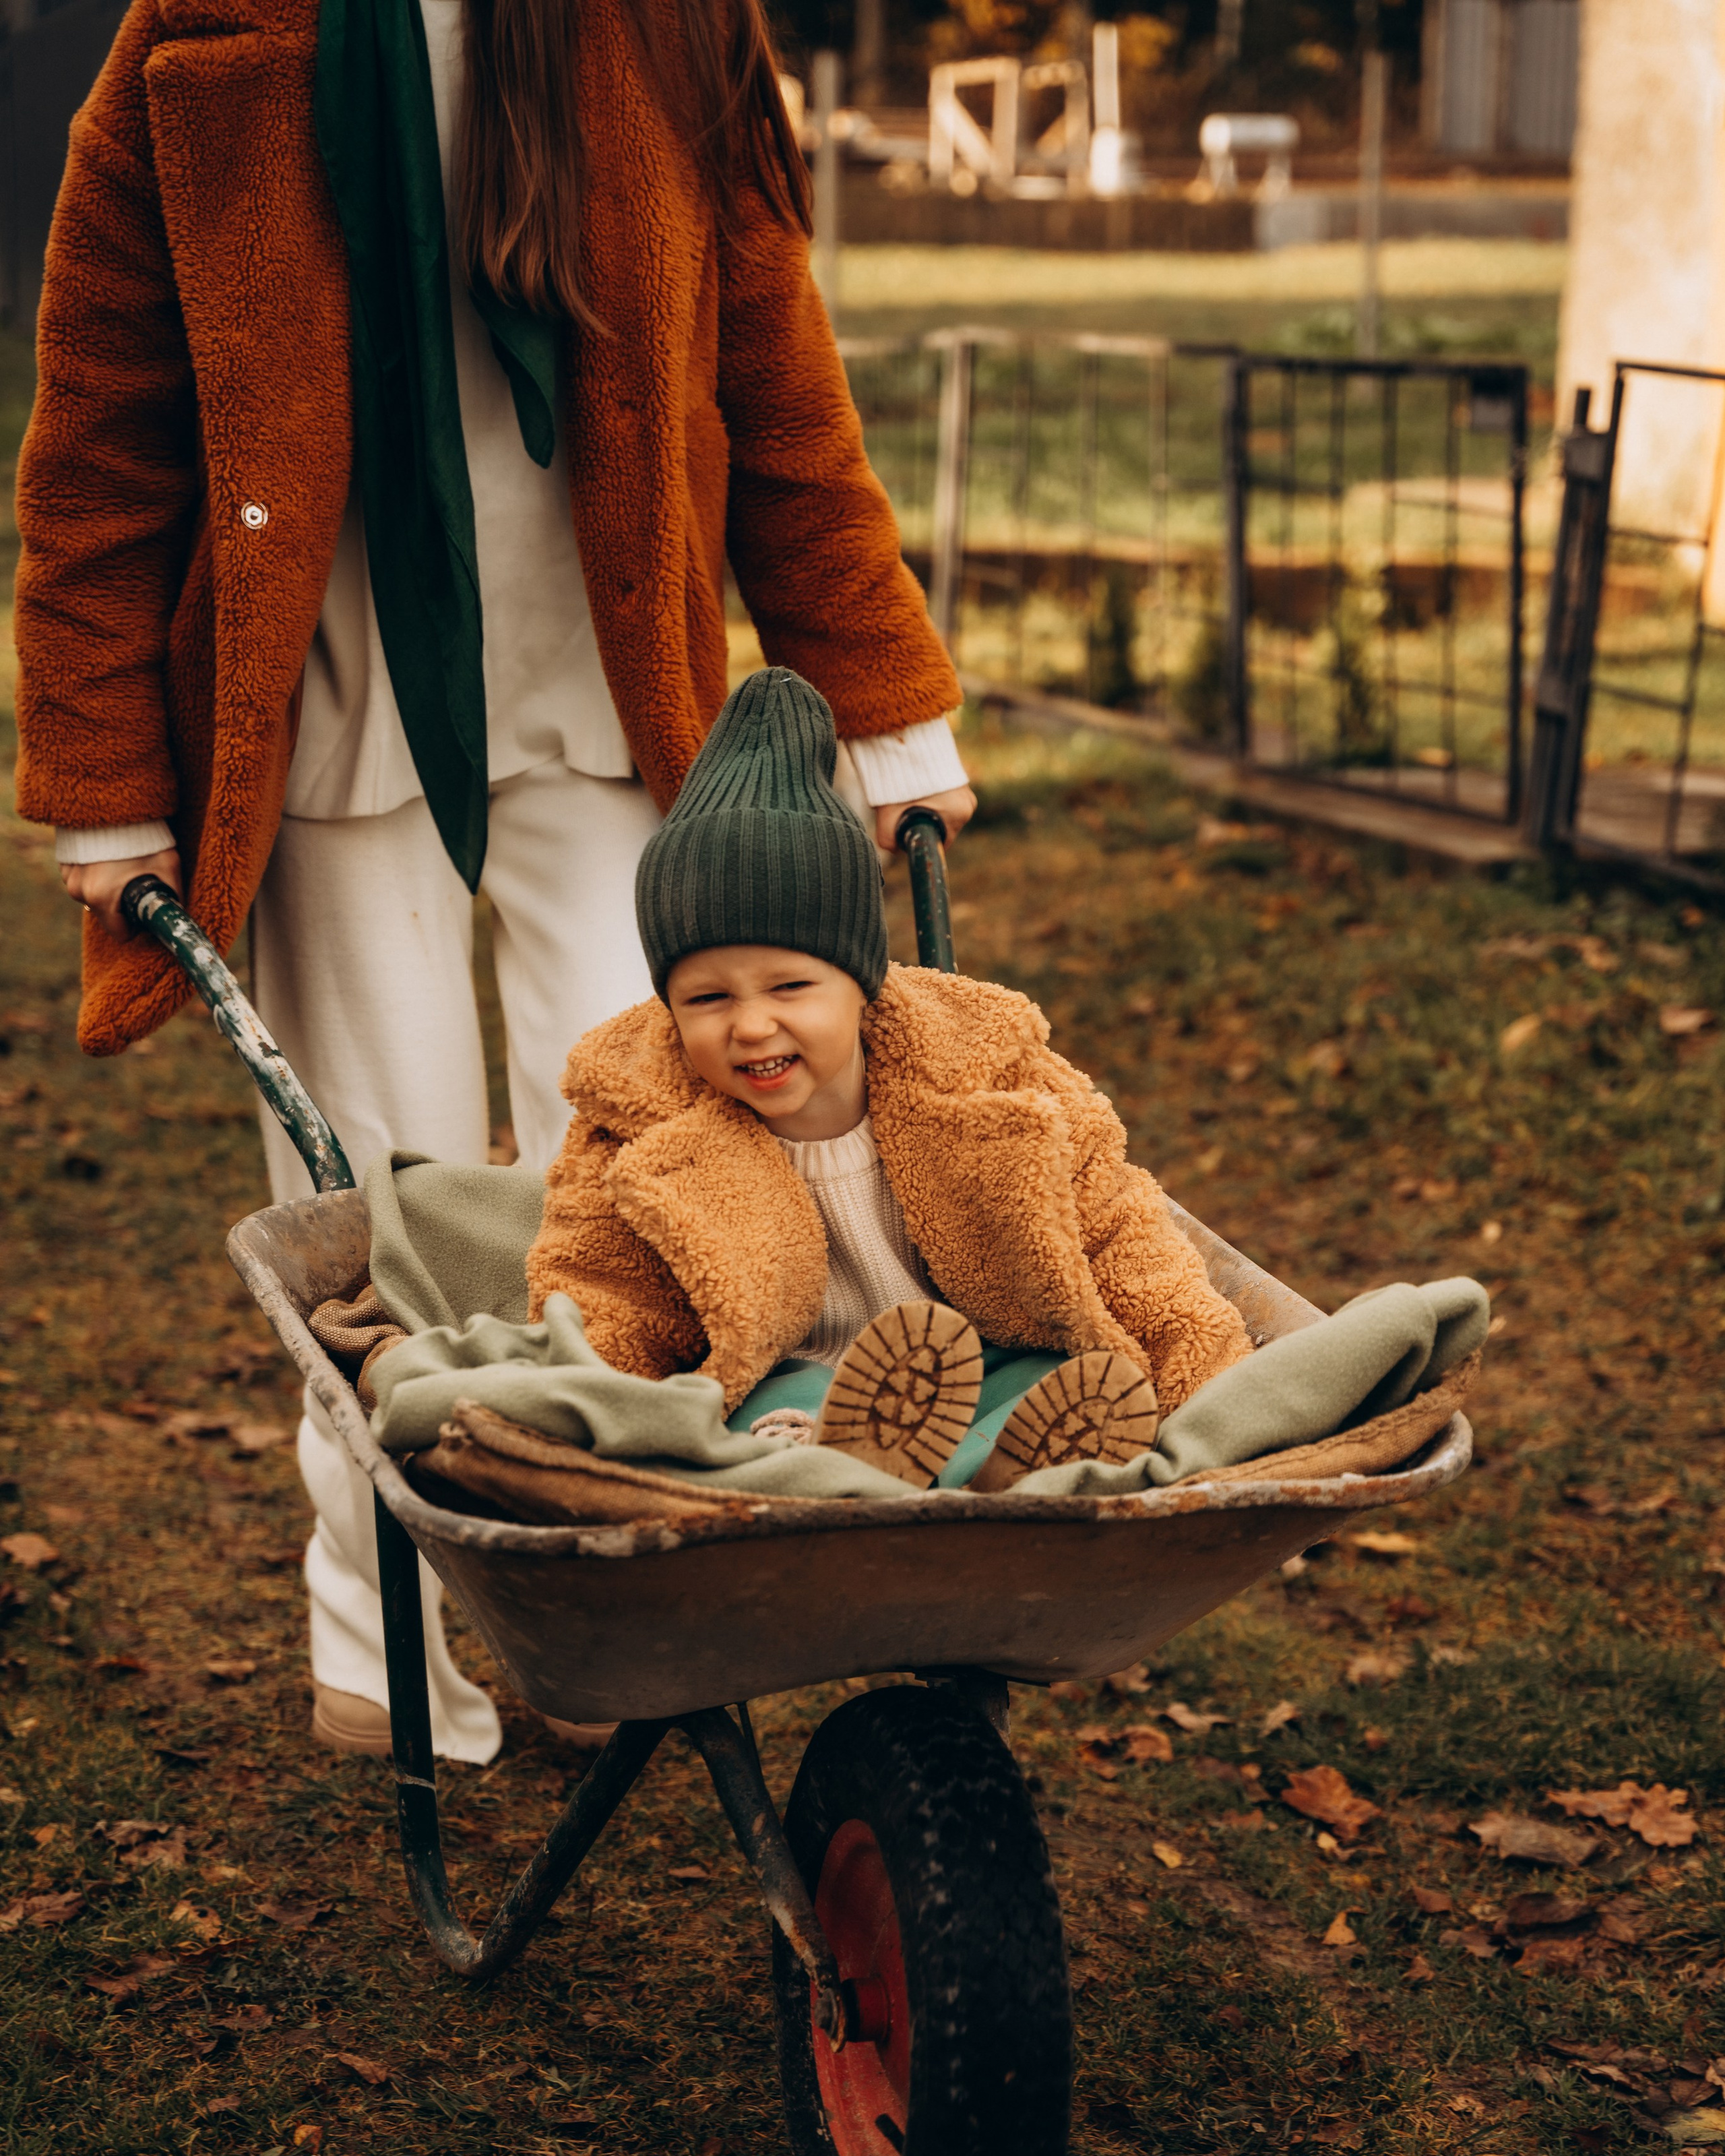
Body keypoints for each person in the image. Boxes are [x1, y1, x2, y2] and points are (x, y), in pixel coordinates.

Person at [13, 0, 974, 1764]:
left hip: (604, 701)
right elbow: (102, 440)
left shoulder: (666, 24)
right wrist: (99, 783)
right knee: (373, 1198)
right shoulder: (202, 38)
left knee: (638, 1176)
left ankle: (595, 1604)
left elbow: (773, 371)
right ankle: (388, 1642)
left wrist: (888, 697)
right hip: (328, 712)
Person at [526, 666, 1253, 1486]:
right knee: (763, 1413)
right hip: (786, 1374)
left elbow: (1122, 1234)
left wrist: (1212, 1385)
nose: (751, 1024)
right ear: (668, 1006)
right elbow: (602, 1291)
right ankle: (852, 1467)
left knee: (1066, 1383)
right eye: (706, 997)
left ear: (863, 982)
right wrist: (598, 1431)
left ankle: (975, 1474)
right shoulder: (637, 1122)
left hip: (971, 1356)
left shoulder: (989, 1077)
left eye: (791, 986)